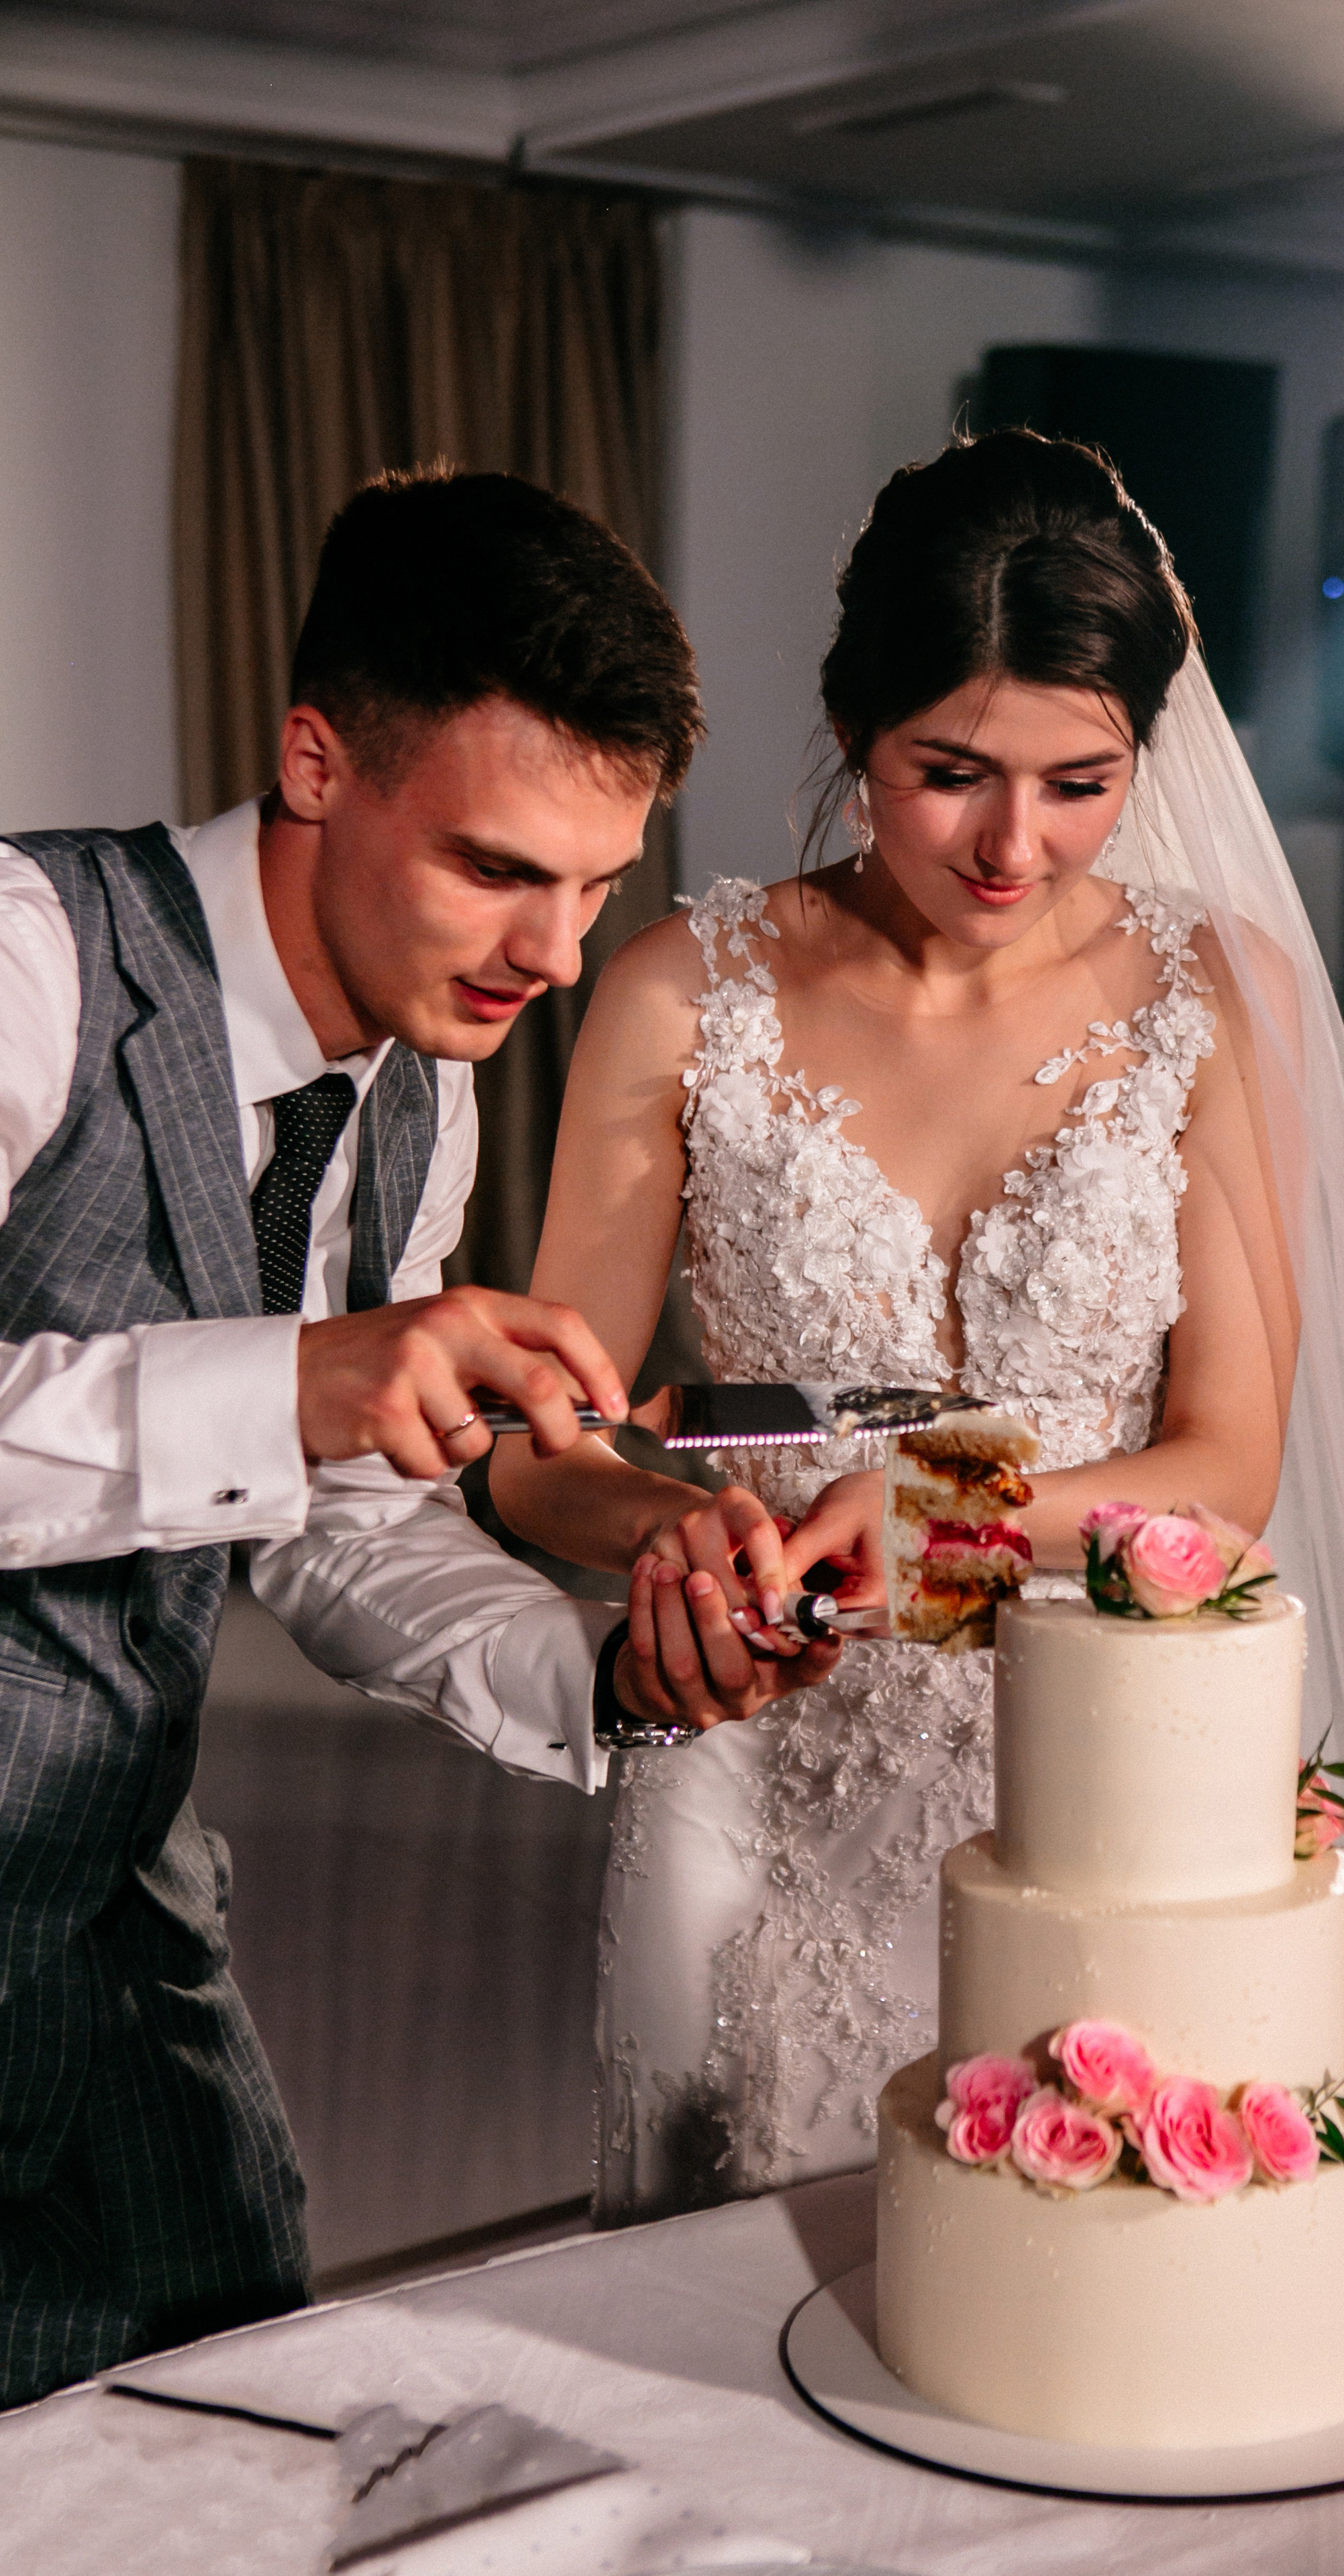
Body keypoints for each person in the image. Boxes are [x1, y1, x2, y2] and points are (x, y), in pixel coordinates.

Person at [493, 431, 1344, 2226]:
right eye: (951, 775)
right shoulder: (681, 993)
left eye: (1082, 783)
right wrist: (677, 1532)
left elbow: (1225, 1464)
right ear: (853, 726)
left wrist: (934, 1517)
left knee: (1064, 2283)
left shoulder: (1209, 994)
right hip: (762, 1747)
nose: (1016, 844)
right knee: (718, 2261)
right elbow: (552, 1449)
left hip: (1093, 1755)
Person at [0, 464, 833, 2408]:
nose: (556, 956)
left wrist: (611, 1664)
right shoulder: (28, 960)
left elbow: (347, 1526)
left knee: (230, 2417)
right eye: (497, 868)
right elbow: (295, 1418)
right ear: (316, 762)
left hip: (118, 1916)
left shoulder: (414, 1095)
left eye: (597, 886)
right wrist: (292, 1378)